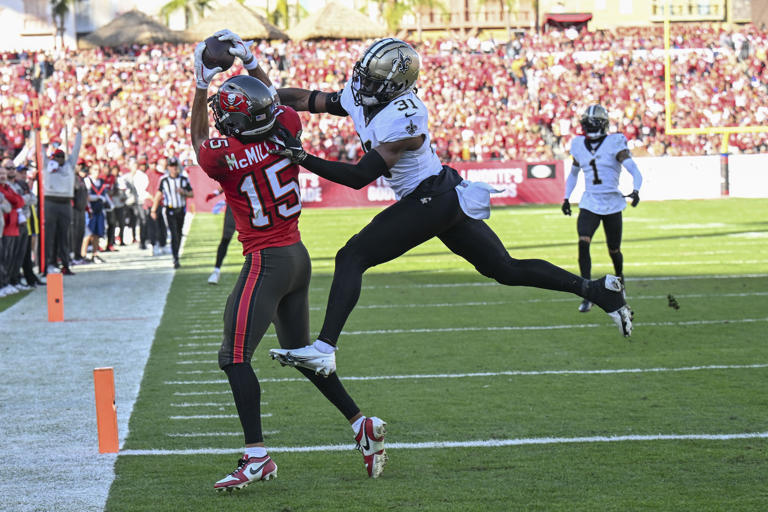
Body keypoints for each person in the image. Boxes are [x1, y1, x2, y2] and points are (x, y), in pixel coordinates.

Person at [268, 38, 633, 378]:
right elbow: (308, 100)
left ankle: (324, 348)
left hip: (431, 197)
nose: (364, 85)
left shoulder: (405, 116)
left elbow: (360, 177)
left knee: (352, 256)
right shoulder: (360, 95)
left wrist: (300, 156)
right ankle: (599, 291)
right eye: (365, 76)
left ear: (397, 85)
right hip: (443, 196)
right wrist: (267, 100)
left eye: (375, 80)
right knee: (505, 269)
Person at [190, 30, 387, 491]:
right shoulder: (288, 128)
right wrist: (252, 62)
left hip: (267, 262)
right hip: (297, 255)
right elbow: (274, 100)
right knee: (302, 356)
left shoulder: (226, 155)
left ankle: (257, 457)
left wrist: (201, 82)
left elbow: (199, 133)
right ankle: (361, 423)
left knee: (232, 356)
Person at [561, 104, 643, 312]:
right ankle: (586, 291)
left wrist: (636, 189)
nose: (589, 127)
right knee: (583, 241)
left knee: (614, 250)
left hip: (612, 202)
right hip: (590, 202)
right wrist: (566, 197)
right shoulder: (579, 144)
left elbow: (633, 168)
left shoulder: (615, 142)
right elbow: (573, 174)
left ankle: (620, 280)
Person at [41, 114, 83, 275]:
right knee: (49, 234)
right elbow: (41, 152)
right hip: (50, 201)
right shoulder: (47, 165)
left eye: (61, 156)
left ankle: (65, 263)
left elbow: (76, 149)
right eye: (56, 156)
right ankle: (48, 264)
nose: (58, 159)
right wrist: (40, 134)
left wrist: (78, 132)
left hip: (65, 202)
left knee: (64, 235)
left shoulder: (69, 165)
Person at [150, 156, 192, 268]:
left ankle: (176, 254)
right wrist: (153, 209)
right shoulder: (164, 180)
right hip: (169, 210)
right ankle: (175, 258)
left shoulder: (183, 179)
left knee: (179, 233)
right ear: (168, 167)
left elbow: (191, 193)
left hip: (181, 209)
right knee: (174, 233)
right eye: (172, 166)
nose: (174, 168)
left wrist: (184, 192)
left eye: (175, 166)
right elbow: (158, 195)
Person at [204, 187, 236, 285]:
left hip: (251, 206)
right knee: (226, 238)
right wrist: (215, 193)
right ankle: (216, 271)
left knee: (256, 239)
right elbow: (226, 181)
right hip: (234, 206)